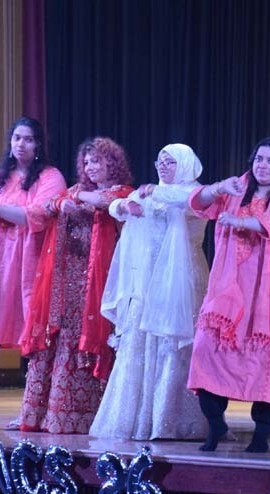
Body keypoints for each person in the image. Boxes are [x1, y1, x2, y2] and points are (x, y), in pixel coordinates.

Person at [187, 137, 270, 453]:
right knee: (207, 352)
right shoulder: (236, 190)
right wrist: (217, 189)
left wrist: (239, 221)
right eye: (258, 159)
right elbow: (198, 204)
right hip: (230, 291)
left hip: (268, 297)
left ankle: (261, 434)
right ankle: (216, 426)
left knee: (268, 360)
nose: (262, 166)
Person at [90, 143, 209, 440]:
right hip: (146, 284)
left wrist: (152, 194)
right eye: (160, 161)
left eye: (170, 162)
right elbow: (118, 207)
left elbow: (184, 202)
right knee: (139, 343)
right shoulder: (149, 191)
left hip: (180, 282)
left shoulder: (195, 193)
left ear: (185, 165)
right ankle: (135, 418)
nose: (162, 167)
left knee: (174, 345)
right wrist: (124, 206)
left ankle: (173, 419)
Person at [18, 137, 133, 434]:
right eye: (87, 161)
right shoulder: (75, 190)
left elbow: (108, 203)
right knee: (56, 342)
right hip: (64, 285)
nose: (90, 166)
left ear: (112, 163)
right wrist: (61, 201)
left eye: (97, 160)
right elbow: (44, 206)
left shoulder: (123, 194)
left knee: (89, 340)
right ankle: (44, 415)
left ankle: (86, 417)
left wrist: (75, 200)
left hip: (99, 285)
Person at [0, 117, 67, 431]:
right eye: (17, 138)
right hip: (0, 263)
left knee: (35, 333)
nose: (21, 145)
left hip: (36, 263)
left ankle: (31, 410)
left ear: (38, 145)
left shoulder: (50, 177)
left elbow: (34, 216)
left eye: (28, 139)